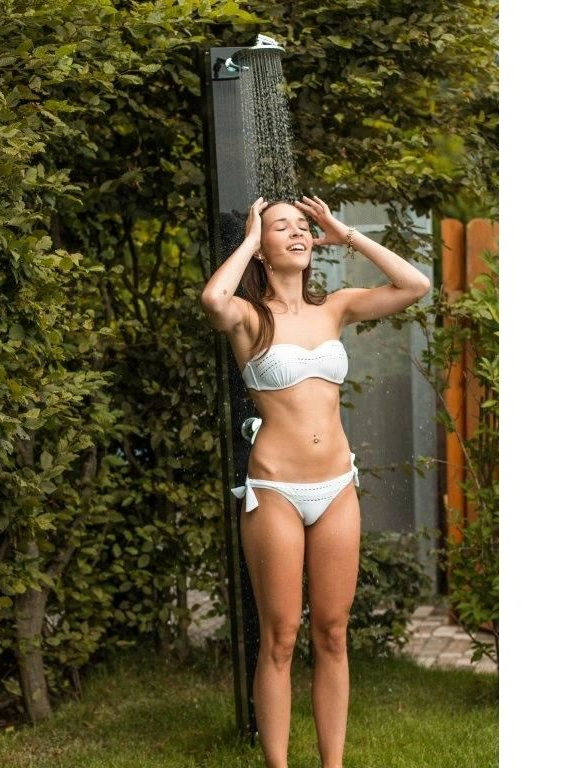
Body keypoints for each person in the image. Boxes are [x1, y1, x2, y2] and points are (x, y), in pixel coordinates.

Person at [200, 195, 431, 768]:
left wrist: (344, 233)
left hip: (336, 488)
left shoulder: (335, 308)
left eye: (303, 226)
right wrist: (247, 241)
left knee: (331, 632)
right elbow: (213, 299)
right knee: (281, 637)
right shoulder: (249, 318)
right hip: (275, 491)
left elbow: (415, 285)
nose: (298, 233)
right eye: (282, 227)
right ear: (263, 247)